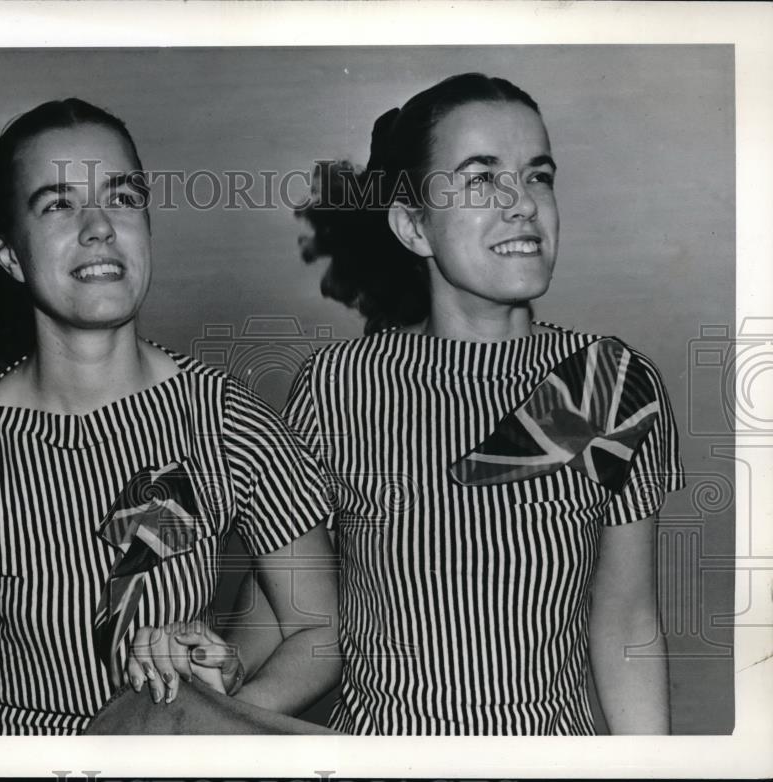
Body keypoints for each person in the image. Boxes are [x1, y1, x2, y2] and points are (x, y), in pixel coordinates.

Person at [220, 72, 684, 735]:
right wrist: (213, 688)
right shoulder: (338, 386)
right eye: (481, 178)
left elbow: (627, 619)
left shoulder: (611, 382)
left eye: (539, 175)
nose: (523, 204)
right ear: (414, 226)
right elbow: (285, 609)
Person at [0, 98, 339, 735]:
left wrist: (207, 712)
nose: (99, 225)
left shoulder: (227, 416)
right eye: (59, 203)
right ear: (9, 255)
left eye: (123, 197)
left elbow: (317, 628)